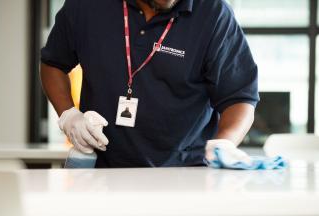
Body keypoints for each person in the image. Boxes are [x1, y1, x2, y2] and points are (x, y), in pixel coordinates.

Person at [40, 0, 259, 167]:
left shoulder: (214, 13)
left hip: (188, 172)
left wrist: (224, 143)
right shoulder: (86, 6)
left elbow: (240, 97)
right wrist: (68, 115)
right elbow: (53, 63)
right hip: (103, 170)